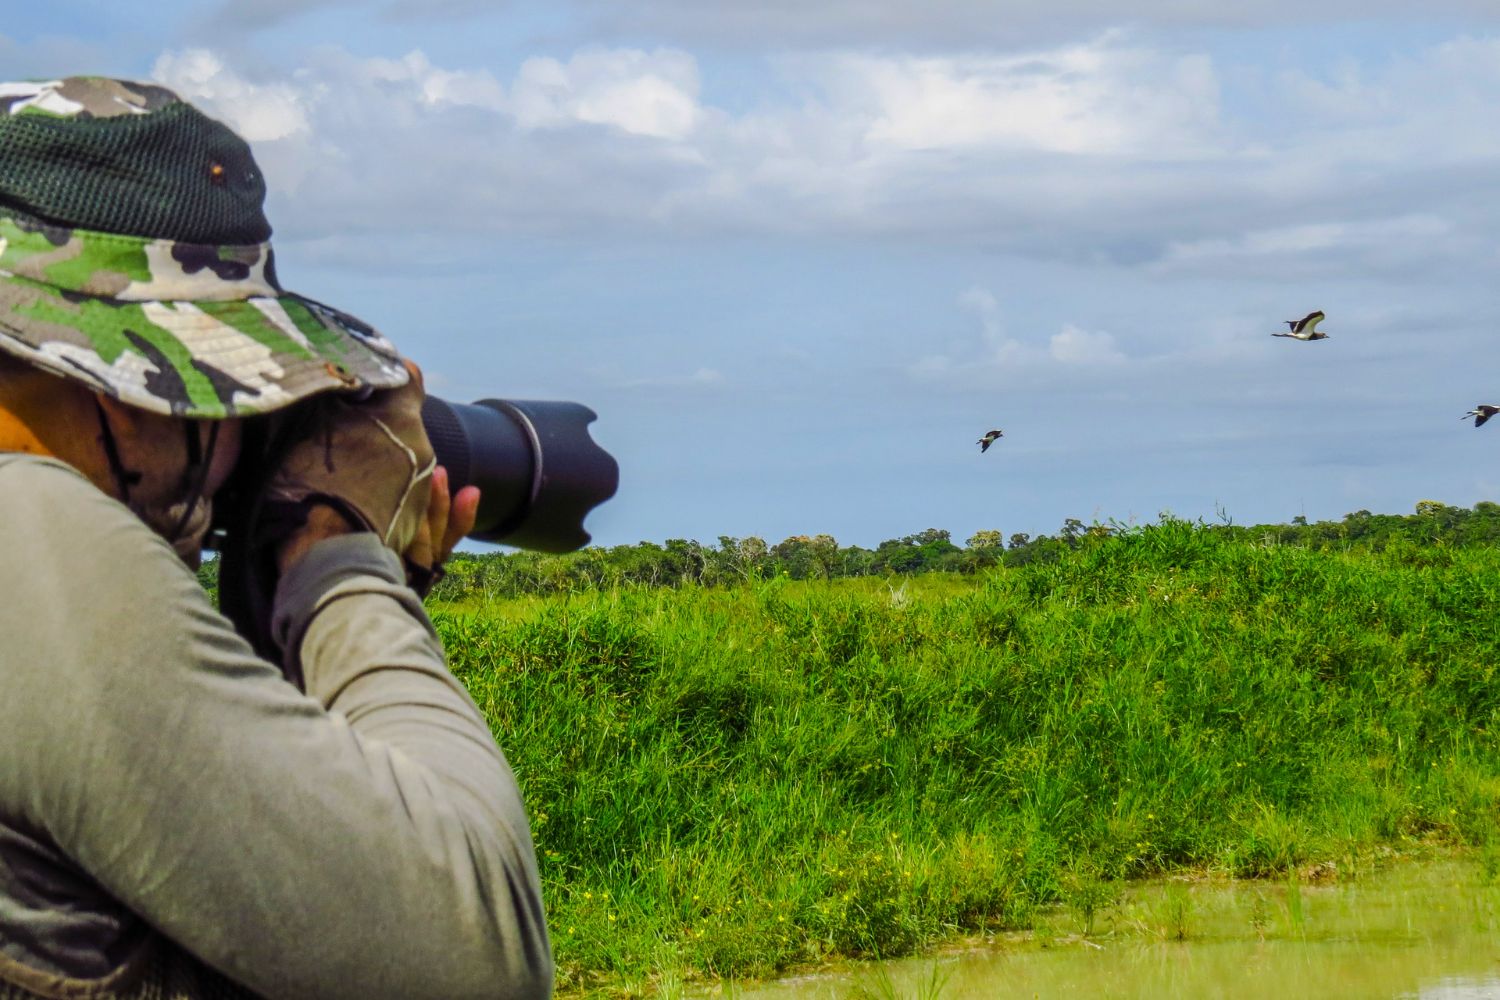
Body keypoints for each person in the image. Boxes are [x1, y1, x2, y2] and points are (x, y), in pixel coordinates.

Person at [0, 78, 553, 999]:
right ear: (99, 385)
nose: (227, 442)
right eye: (205, 395)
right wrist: (338, 558)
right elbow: (472, 959)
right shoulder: (29, 532)